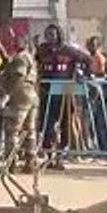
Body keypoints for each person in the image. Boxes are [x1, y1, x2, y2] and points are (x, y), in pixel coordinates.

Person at [36, 24, 91, 156]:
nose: (50, 38)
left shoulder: (69, 50)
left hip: (65, 91)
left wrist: (83, 75)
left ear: (58, 35)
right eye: (47, 35)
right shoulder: (41, 50)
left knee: (65, 122)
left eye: (53, 35)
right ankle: (48, 150)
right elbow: (35, 63)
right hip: (46, 91)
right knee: (47, 123)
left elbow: (87, 60)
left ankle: (62, 149)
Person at [0, 36, 39, 173]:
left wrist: (7, 95)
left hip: (20, 97)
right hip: (32, 96)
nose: (14, 43)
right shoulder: (30, 58)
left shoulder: (20, 59)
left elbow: (18, 77)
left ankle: (11, 163)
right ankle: (30, 161)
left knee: (12, 131)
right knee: (30, 131)